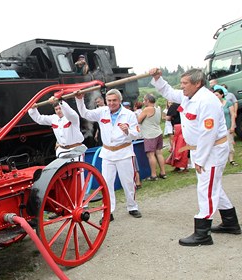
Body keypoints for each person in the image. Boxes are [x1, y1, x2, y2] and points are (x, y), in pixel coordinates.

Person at [150, 68, 241, 246]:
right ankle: (230, 223)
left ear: (197, 83)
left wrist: (199, 159)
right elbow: (168, 91)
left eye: (185, 83)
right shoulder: (188, 96)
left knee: (206, 188)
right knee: (212, 185)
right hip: (203, 149)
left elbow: (209, 133)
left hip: (212, 150)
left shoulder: (207, 101)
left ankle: (202, 233)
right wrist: (157, 78)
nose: (182, 86)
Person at [75, 88, 142, 222]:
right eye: (109, 100)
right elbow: (84, 113)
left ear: (120, 100)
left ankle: (132, 206)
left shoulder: (129, 114)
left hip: (124, 152)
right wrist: (79, 99)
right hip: (107, 154)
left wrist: (128, 131)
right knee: (106, 184)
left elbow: (138, 134)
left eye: (114, 101)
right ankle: (108, 211)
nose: (111, 103)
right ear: (106, 101)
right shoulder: (102, 112)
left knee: (128, 182)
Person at [137, 94, 167, 181]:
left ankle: (153, 175)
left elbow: (139, 120)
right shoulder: (158, 108)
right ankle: (163, 172)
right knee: (159, 153)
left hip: (150, 135)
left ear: (148, 101)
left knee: (150, 155)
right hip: (158, 132)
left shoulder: (147, 109)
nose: (143, 102)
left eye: (144, 100)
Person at [213, 88, 238, 166]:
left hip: (227, 126)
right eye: (214, 95)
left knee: (229, 142)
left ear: (222, 95)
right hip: (218, 128)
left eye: (217, 95)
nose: (215, 96)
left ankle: (231, 160)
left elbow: (232, 115)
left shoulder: (228, 103)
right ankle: (221, 160)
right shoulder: (213, 104)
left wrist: (232, 126)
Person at [165, 101, 189, 173]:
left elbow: (168, 118)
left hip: (177, 128)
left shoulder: (173, 106)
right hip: (185, 127)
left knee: (177, 148)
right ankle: (179, 166)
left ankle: (183, 166)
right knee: (182, 148)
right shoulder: (184, 104)